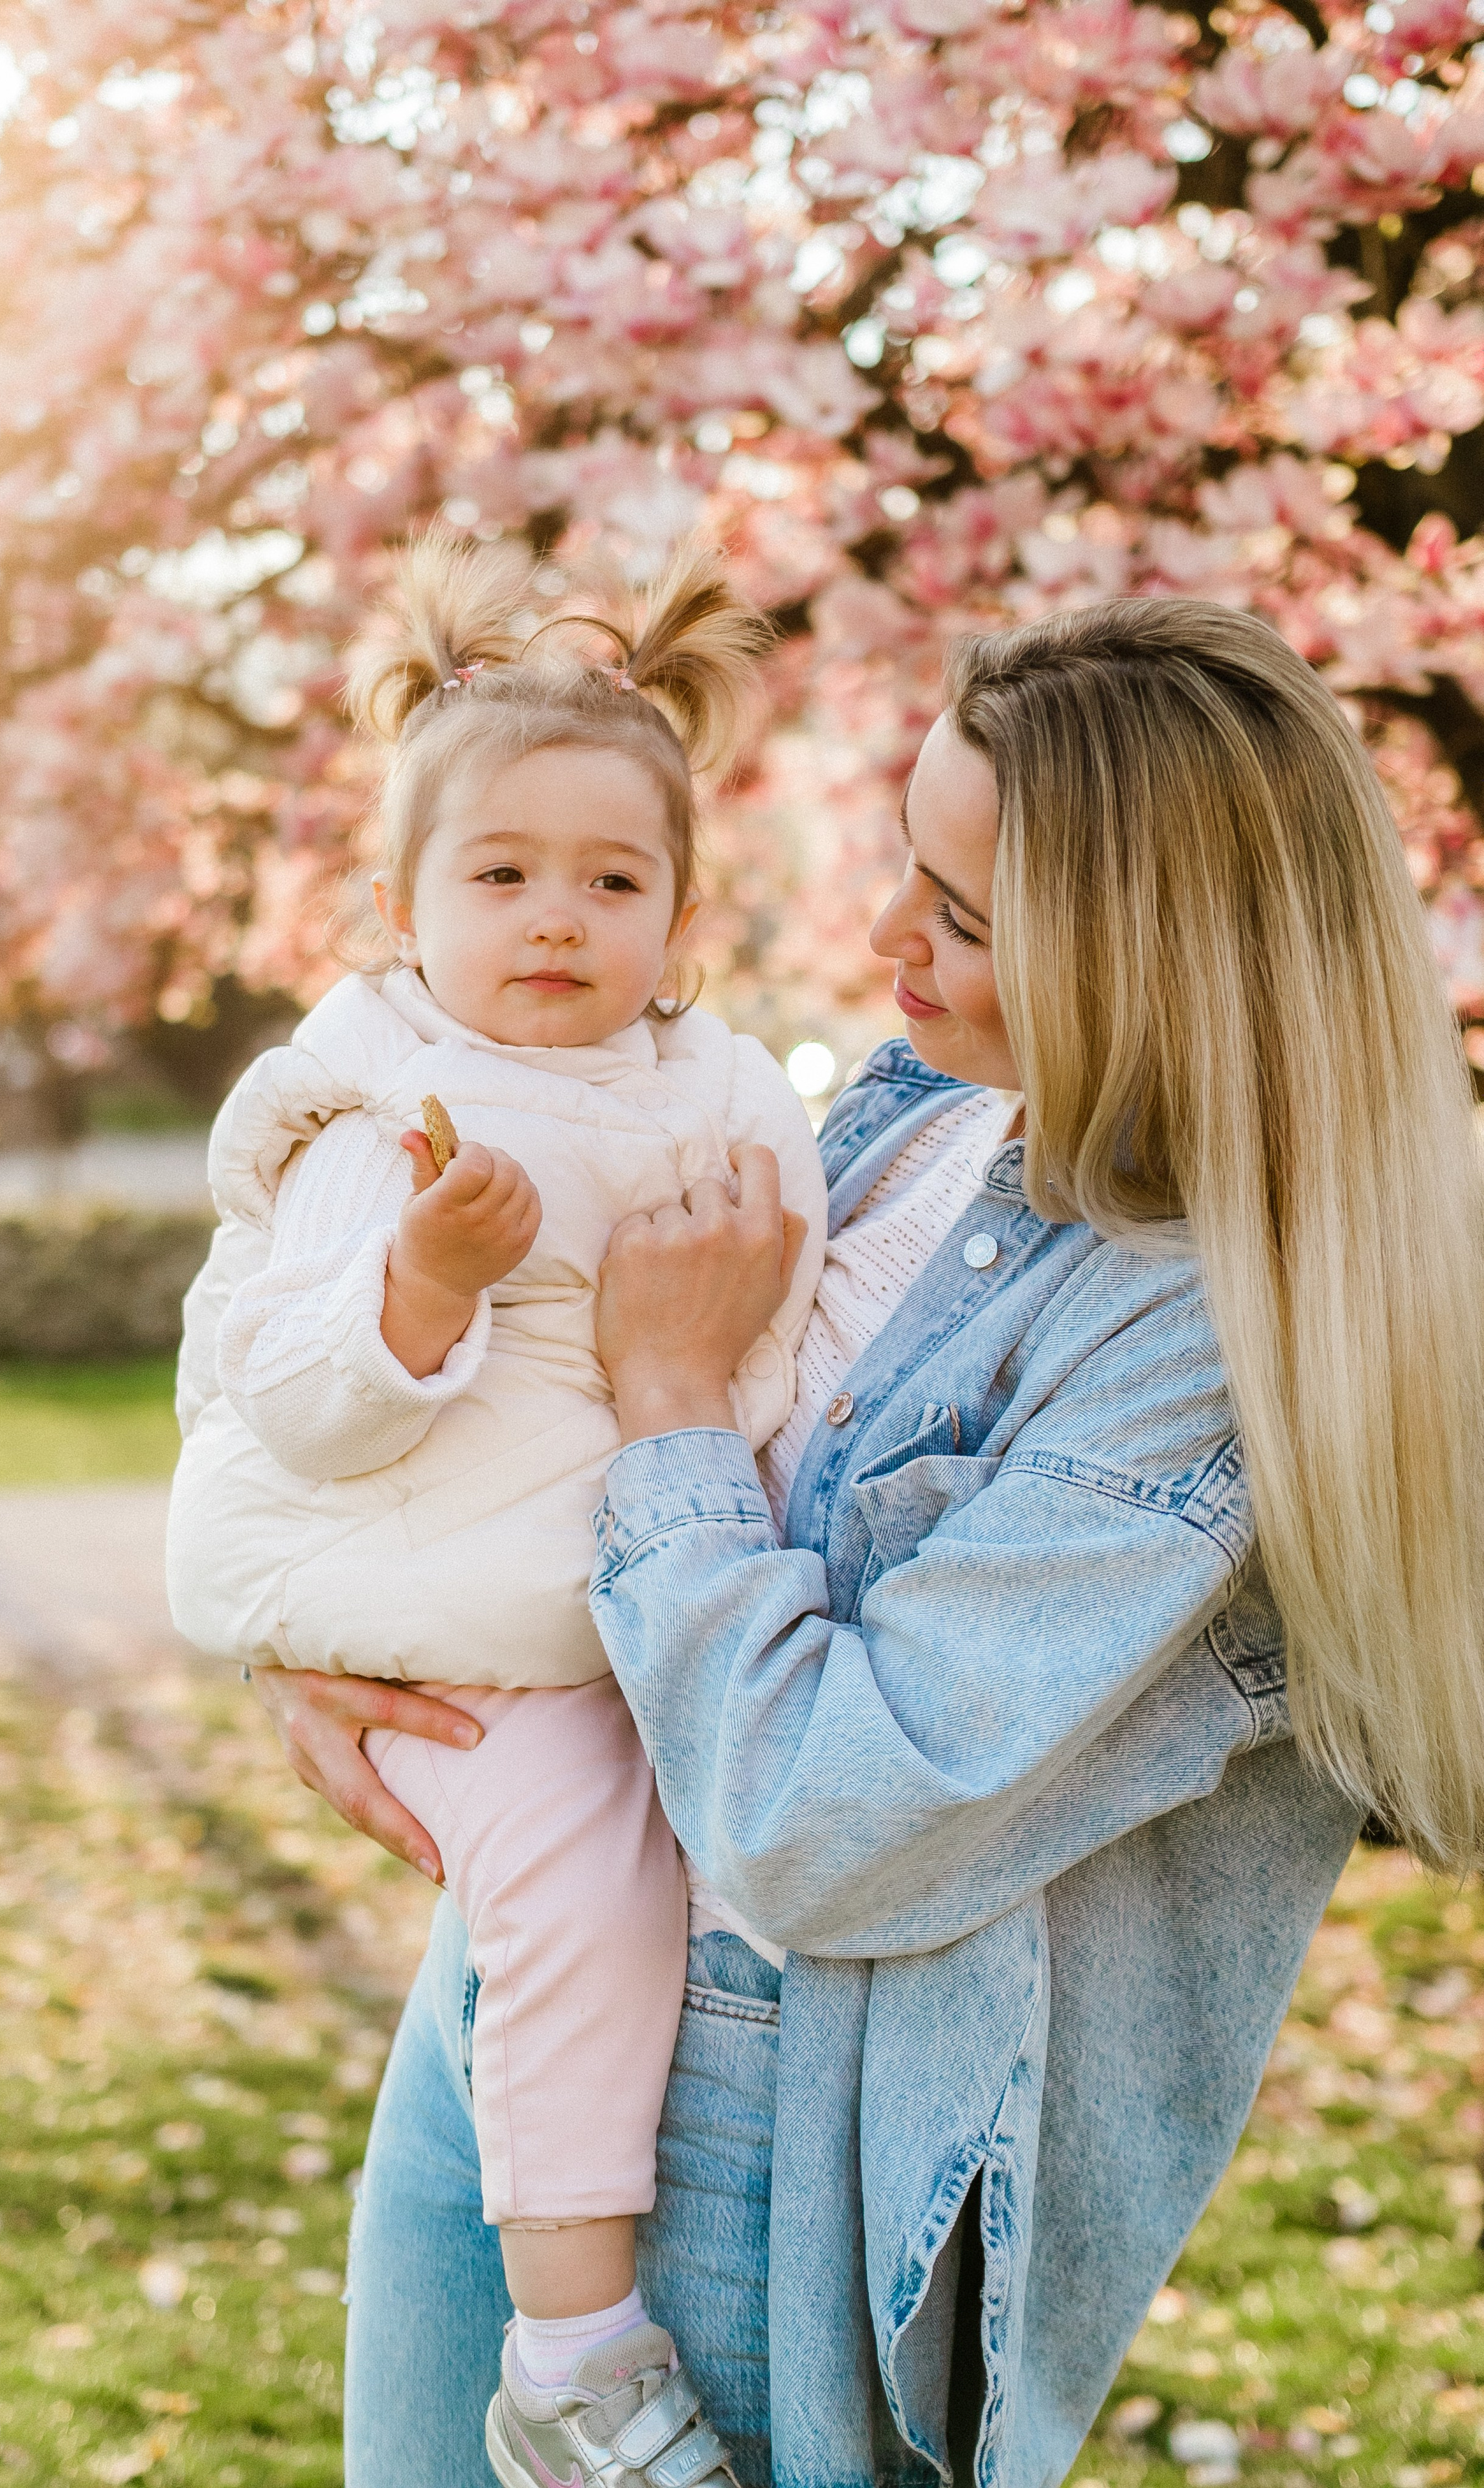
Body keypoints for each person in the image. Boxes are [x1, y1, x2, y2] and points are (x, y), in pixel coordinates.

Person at [260, 593, 1484, 2487]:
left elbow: (823, 1817)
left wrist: (668, 1393)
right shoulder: (928, 1116)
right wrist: (323, 1629)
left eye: (967, 919)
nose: (881, 943)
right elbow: (491, 1403)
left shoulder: (1205, 1346)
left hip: (759, 2127)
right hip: (522, 1981)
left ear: (1155, 961)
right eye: (912, 870)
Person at [167, 531, 827, 2488]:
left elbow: (778, 1324)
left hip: (601, 1602)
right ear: (398, 910)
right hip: (433, 1619)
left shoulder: (704, 1090)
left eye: (612, 880)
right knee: (567, 1887)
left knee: (636, 1883)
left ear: (684, 917)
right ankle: (573, 2350)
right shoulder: (396, 1115)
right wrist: (429, 1287)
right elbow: (296, 1396)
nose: (558, 917)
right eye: (503, 874)